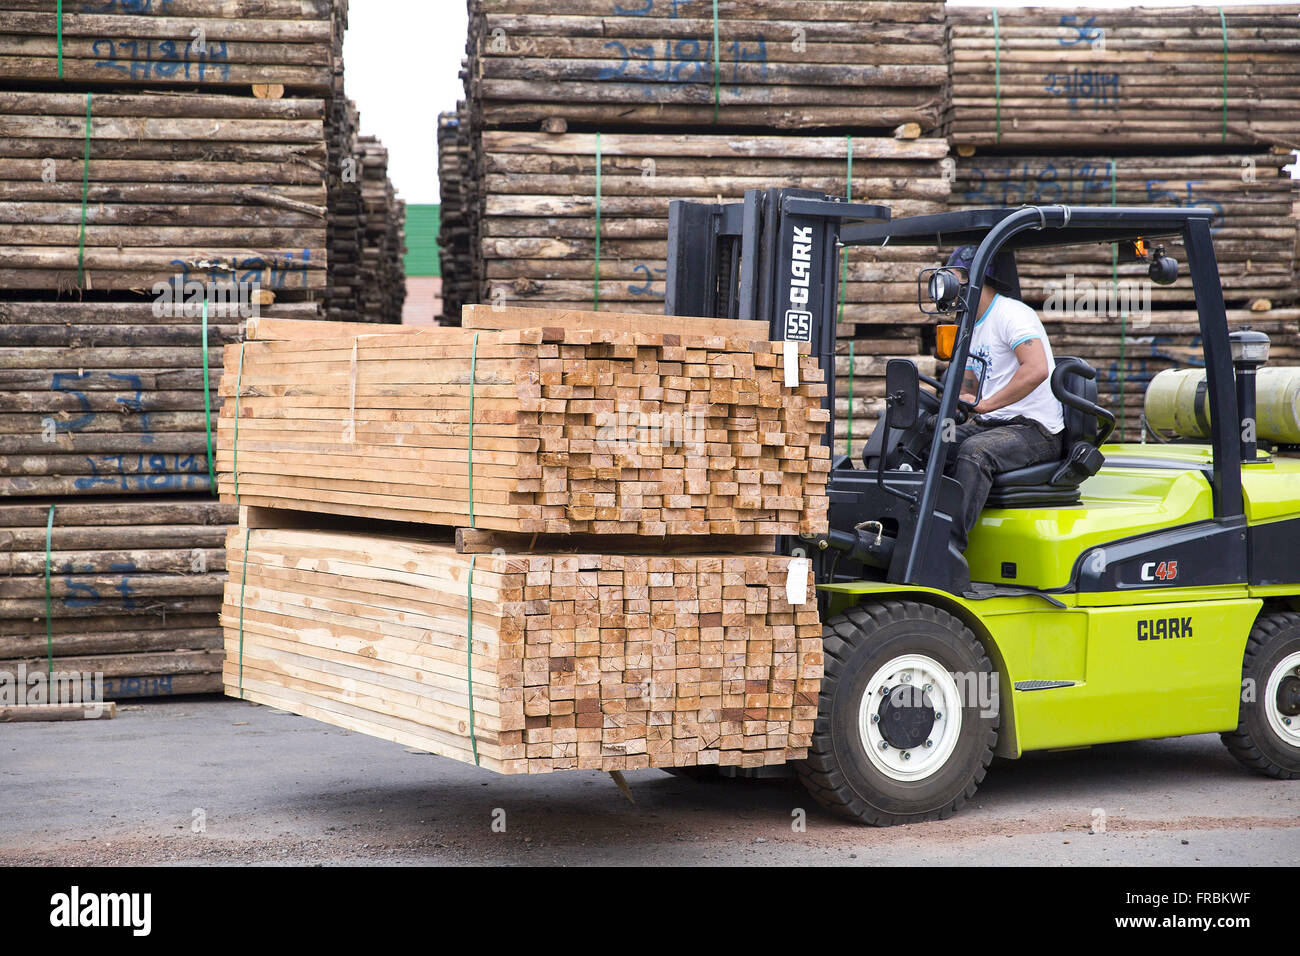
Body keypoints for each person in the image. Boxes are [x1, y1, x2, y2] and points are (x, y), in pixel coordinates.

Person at [941, 245, 1065, 551]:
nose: (947, 288)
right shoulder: (969, 323)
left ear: (976, 278)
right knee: (934, 439)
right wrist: (946, 409)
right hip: (992, 423)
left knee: (974, 452)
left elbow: (1036, 369)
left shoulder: (1012, 314)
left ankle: (946, 550)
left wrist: (986, 404)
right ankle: (918, 529)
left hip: (1034, 430)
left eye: (953, 278)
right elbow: (970, 387)